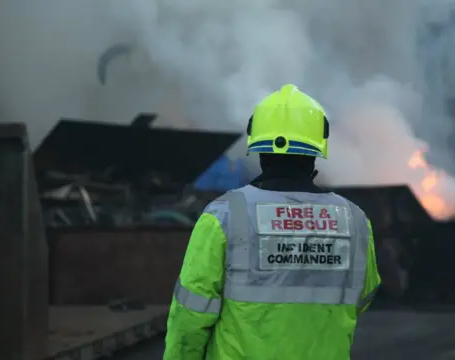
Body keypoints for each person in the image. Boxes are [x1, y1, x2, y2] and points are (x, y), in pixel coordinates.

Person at [163, 84, 382, 360]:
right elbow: (362, 295)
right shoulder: (354, 220)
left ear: (259, 147)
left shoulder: (224, 216)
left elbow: (190, 316)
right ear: (317, 146)